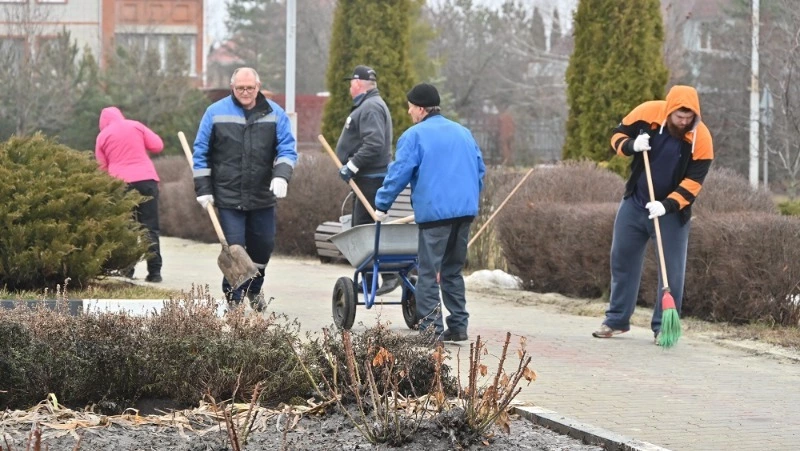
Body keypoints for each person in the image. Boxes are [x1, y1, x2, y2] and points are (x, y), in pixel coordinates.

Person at [592, 85, 714, 343]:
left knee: (672, 272)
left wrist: (667, 205)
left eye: (689, 117)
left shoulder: (701, 138)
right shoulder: (647, 113)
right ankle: (616, 320)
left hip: (671, 212)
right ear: (669, 111)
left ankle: (662, 328)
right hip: (635, 203)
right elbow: (616, 135)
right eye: (679, 116)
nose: (684, 122)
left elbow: (694, 183)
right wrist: (631, 145)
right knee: (622, 259)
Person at [374, 83, 486, 342]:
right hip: (464, 213)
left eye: (411, 107)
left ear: (421, 109)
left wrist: (382, 204)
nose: (409, 112)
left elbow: (399, 173)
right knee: (452, 270)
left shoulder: (414, 136)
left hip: (435, 216)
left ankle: (430, 331)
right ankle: (458, 326)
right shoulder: (463, 133)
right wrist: (468, 199)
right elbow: (479, 170)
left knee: (427, 273)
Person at [191, 67, 297, 311]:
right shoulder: (215, 113)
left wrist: (281, 176)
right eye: (240, 88)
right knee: (235, 250)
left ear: (258, 87)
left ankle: (254, 289)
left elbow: (287, 149)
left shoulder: (275, 114)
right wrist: (203, 189)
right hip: (228, 196)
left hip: (262, 195)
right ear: (232, 88)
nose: (245, 92)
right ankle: (234, 299)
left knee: (263, 248)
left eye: (250, 87)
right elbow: (201, 152)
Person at [335, 64, 399, 295]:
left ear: (358, 84)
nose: (350, 88)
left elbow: (374, 143)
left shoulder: (370, 107)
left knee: (365, 231)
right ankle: (369, 279)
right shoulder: (370, 104)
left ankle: (389, 275)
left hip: (371, 180)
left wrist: (352, 165)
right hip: (367, 179)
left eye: (351, 83)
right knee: (363, 230)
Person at [95, 106, 165, 283]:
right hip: (147, 180)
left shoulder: (102, 136)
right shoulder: (136, 126)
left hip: (121, 185)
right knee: (149, 227)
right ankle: (155, 272)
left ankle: (127, 271)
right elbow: (157, 146)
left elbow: (101, 167)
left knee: (126, 228)